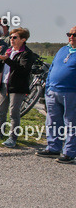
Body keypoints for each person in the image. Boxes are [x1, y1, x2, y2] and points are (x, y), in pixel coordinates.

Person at [38, 25, 76, 163]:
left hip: (71, 92)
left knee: (71, 123)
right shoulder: (63, 50)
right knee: (52, 122)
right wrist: (47, 87)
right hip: (53, 91)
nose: (71, 37)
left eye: (74, 35)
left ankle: (69, 152)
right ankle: (53, 148)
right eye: (69, 34)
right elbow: (52, 67)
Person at [0, 27, 34, 148]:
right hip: (4, 84)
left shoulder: (26, 53)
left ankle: (12, 138)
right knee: (0, 112)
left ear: (23, 39)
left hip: (17, 87)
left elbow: (23, 70)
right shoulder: (9, 51)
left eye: (14, 37)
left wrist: (8, 60)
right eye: (10, 37)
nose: (11, 39)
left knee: (14, 113)